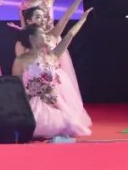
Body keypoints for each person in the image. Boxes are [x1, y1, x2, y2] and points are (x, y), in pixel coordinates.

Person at [13, 9, 94, 138]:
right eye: (42, 34)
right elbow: (15, 86)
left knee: (68, 125)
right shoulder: (21, 60)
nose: (46, 36)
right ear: (32, 38)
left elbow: (69, 35)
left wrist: (83, 19)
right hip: (33, 104)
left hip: (54, 102)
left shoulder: (51, 56)